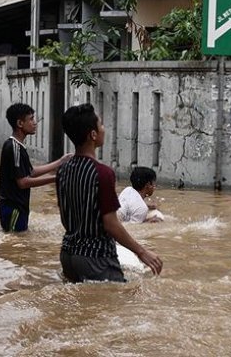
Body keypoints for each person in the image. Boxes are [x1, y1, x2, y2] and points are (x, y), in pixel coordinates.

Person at [56, 103, 162, 283]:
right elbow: (111, 224)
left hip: (67, 255)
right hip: (96, 258)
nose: (104, 129)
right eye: (101, 125)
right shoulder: (103, 173)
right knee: (118, 305)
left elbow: (66, 217)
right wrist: (142, 252)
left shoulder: (63, 170)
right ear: (93, 134)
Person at [0, 103, 70, 232]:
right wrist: (57, 178)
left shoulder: (18, 146)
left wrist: (60, 161)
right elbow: (23, 183)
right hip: (14, 208)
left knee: (18, 244)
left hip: (19, 207)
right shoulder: (14, 147)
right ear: (20, 123)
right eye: (31, 119)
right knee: (15, 246)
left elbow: (31, 172)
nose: (35, 123)